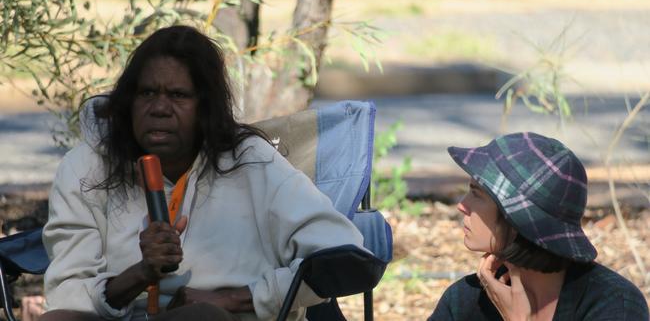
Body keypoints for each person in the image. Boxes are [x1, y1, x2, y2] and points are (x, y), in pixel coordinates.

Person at [40, 25, 364, 321]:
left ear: (205, 107)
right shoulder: (86, 166)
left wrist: (238, 299)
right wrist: (140, 273)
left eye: (178, 95)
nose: (160, 108)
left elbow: (341, 251)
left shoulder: (250, 161)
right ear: (128, 101)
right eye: (147, 93)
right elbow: (65, 294)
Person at [429, 132, 649, 321]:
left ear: (516, 220)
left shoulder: (614, 305)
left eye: (476, 194)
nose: (462, 205)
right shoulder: (464, 301)